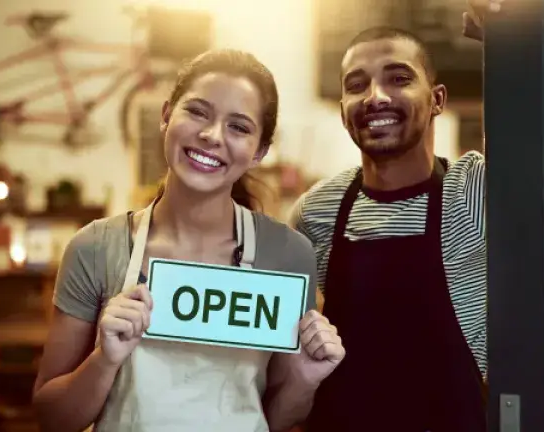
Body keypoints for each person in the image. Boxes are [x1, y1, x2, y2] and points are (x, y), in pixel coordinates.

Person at [290, 1, 544, 430]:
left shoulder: (477, 190)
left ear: (437, 100)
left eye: (398, 78)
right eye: (357, 85)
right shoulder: (317, 210)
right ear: (342, 112)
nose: (375, 97)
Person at [32, 49, 346, 432]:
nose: (211, 136)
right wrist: (104, 359)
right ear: (166, 116)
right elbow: (51, 418)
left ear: (260, 151)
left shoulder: (288, 254)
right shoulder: (96, 248)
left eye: (239, 127)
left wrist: (305, 378)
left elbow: (277, 421)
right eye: (197, 112)